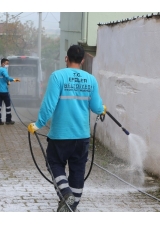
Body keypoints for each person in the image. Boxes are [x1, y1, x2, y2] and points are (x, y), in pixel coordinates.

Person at [27, 45, 106, 212]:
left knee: (54, 163)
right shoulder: (91, 79)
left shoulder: (57, 77)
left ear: (66, 58)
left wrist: (38, 124)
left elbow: (49, 105)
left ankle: (65, 193)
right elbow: (97, 107)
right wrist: (102, 109)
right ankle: (72, 206)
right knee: (78, 170)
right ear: (83, 60)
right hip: (82, 136)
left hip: (60, 136)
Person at [0, 58, 20, 125]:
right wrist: (15, 80)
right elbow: (7, 77)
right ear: (3, 63)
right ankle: (8, 120)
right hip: (4, 91)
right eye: (7, 63)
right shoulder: (3, 69)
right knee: (8, 106)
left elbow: (3, 79)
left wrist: (7, 82)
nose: (8, 65)